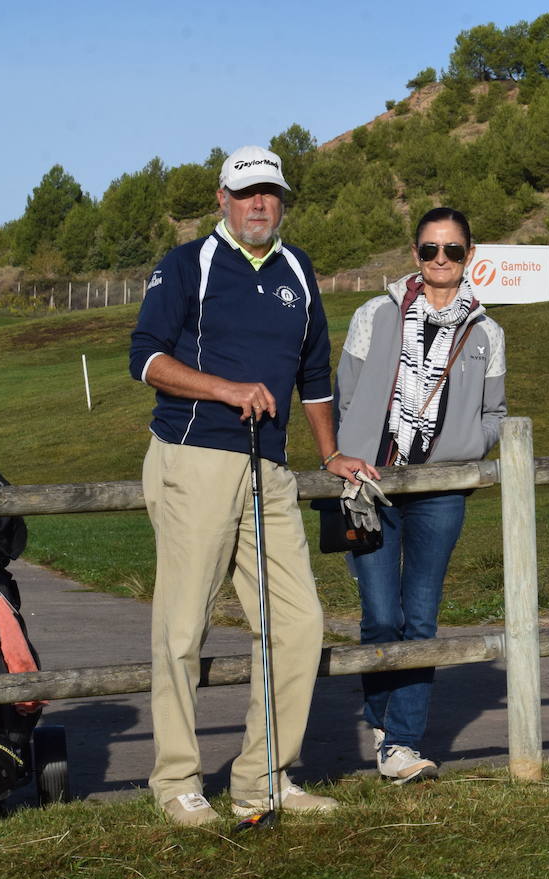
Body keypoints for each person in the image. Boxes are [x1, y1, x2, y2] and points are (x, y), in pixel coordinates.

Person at [129, 145, 371, 826]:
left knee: (299, 624)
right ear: (222, 200)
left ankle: (265, 780)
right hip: (194, 455)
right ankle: (177, 782)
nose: (259, 204)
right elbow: (144, 357)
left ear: (282, 200)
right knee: (182, 628)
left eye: (270, 192)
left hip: (272, 465)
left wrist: (332, 452)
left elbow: (315, 375)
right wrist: (224, 388)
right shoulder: (187, 265)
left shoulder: (298, 270)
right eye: (246, 193)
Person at [333, 207, 506, 784]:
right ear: (415, 254)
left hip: (439, 491)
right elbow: (345, 396)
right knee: (381, 617)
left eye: (452, 251)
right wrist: (349, 450)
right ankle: (383, 719)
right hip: (369, 487)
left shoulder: (486, 332)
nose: (440, 260)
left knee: (422, 617)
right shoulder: (373, 314)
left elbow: (495, 413)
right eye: (430, 250)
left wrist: (465, 447)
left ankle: (401, 742)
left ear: (468, 257)